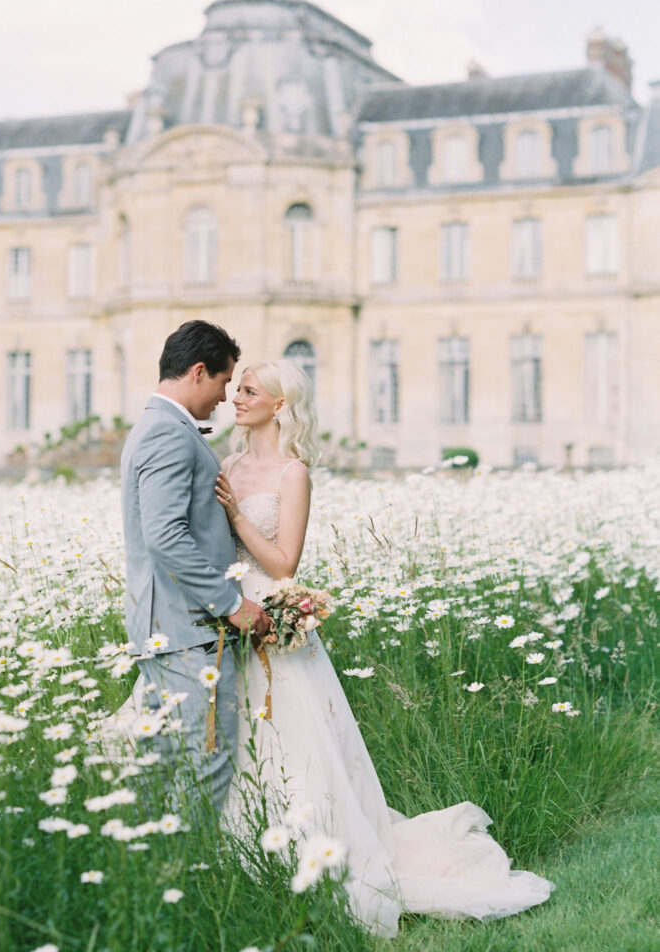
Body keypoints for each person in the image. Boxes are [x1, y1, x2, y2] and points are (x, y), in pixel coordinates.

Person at [214, 358, 554, 939]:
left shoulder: (293, 474)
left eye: (249, 390)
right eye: (237, 387)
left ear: (279, 406)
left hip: (274, 618)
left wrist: (237, 515)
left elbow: (285, 563)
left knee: (299, 749)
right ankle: (244, 867)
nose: (236, 397)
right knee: (243, 742)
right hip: (232, 621)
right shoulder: (227, 464)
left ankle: (317, 866)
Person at [120, 320, 270, 815]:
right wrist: (231, 603)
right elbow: (164, 535)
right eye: (224, 382)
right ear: (199, 370)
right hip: (185, 631)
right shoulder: (168, 432)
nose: (225, 398)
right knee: (208, 761)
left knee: (160, 763)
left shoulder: (157, 426)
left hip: (166, 626)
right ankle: (193, 874)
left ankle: (147, 870)